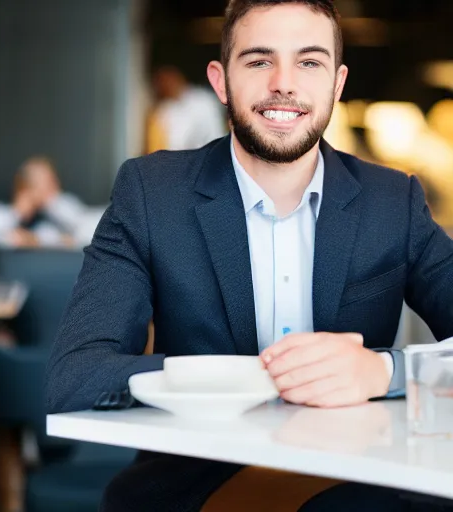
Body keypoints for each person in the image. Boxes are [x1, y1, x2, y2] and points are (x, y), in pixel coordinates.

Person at [46, 1, 453, 510]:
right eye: (259, 60)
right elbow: (77, 378)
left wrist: (384, 372)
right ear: (220, 81)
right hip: (199, 483)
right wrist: (243, 378)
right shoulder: (153, 193)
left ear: (337, 83)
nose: (284, 82)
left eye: (309, 62)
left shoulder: (393, 201)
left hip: (365, 474)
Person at [145, 65, 227, 153]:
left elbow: (215, 135)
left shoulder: (203, 101)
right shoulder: (165, 109)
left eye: (166, 80)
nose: (163, 86)